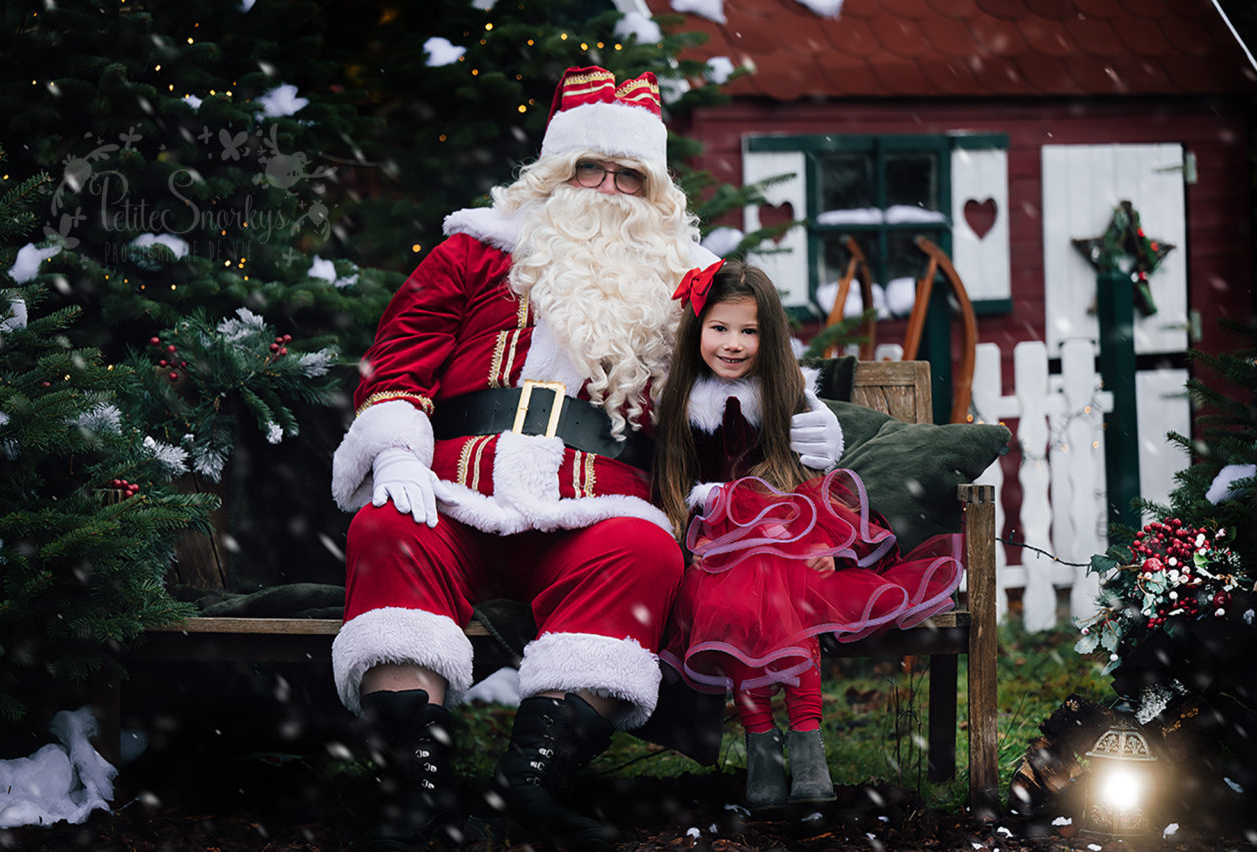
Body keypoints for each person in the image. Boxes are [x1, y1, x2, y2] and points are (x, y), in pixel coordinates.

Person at [328, 68, 844, 850]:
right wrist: (398, 452)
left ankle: (531, 787)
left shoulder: (689, 284)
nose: (607, 188)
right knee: (385, 529)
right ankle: (412, 796)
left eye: (628, 174)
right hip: (456, 486)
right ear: (552, 175)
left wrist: (793, 415)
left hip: (597, 502)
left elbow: (740, 368)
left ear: (655, 189)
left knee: (643, 553)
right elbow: (399, 356)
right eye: (589, 168)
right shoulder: (472, 252)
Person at [653, 260, 965, 813]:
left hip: (787, 537)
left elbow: (810, 484)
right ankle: (761, 743)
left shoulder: (786, 396)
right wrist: (710, 510)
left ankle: (805, 744)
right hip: (710, 551)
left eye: (748, 331)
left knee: (772, 584)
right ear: (697, 330)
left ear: (768, 337)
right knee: (742, 597)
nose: (732, 344)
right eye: (719, 329)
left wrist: (821, 545)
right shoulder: (681, 403)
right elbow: (677, 489)